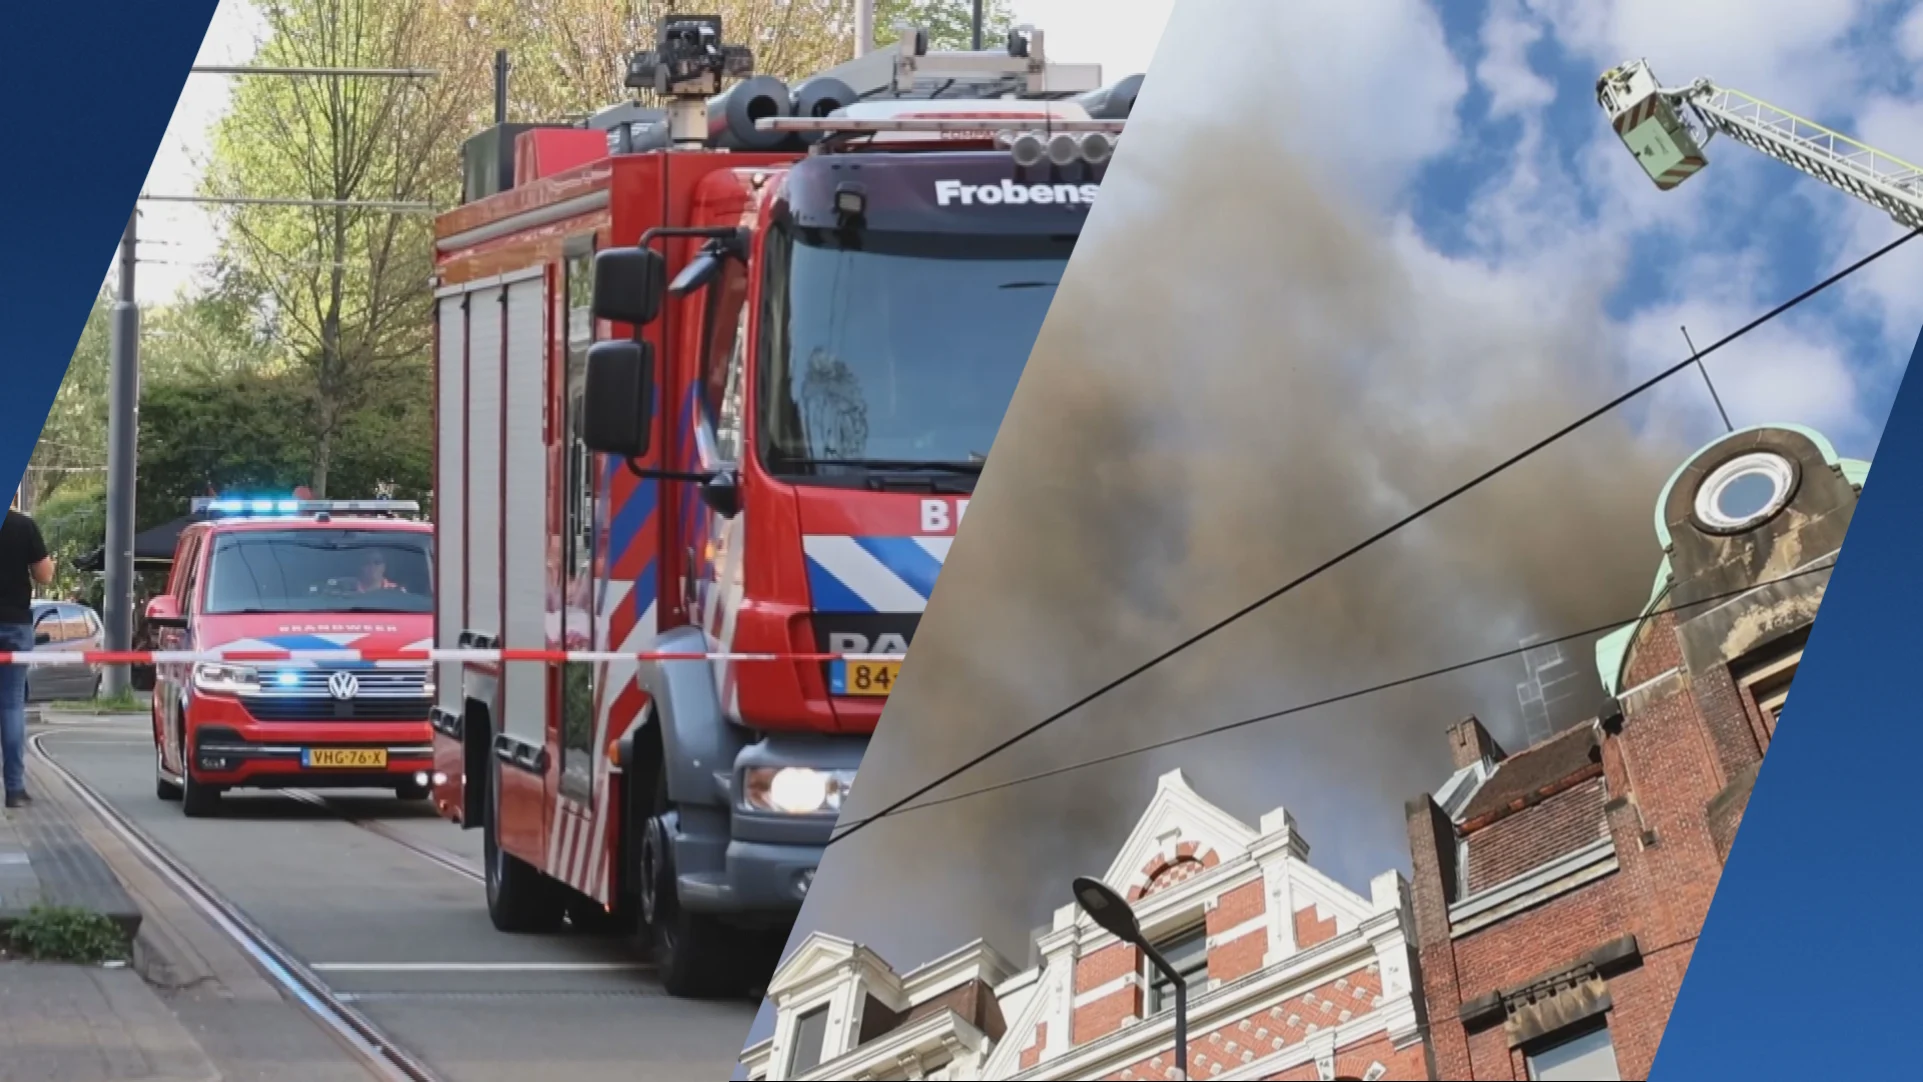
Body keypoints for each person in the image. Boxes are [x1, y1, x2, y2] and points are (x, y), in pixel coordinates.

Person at [1, 507, 55, 809]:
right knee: (10, 705)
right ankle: (14, 789)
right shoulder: (23, 525)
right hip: (14, 625)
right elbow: (44, 575)